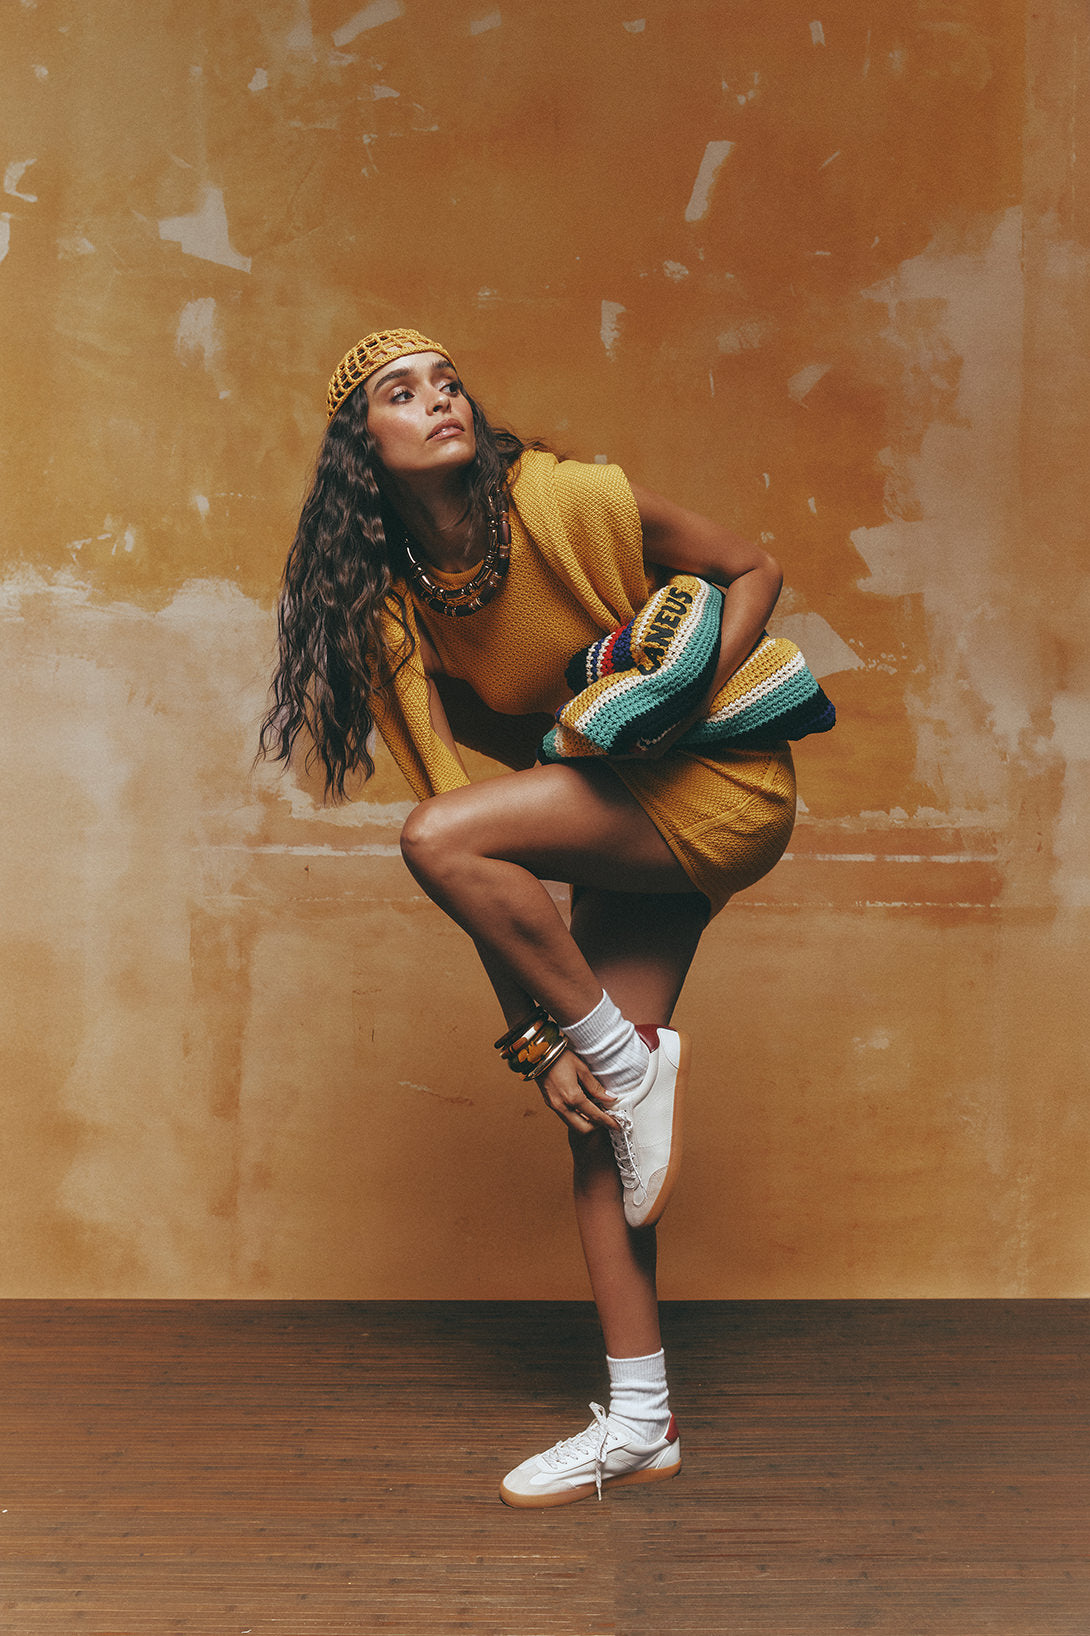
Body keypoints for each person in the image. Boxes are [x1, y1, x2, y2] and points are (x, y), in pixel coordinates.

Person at [259, 327, 797, 1506]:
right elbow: (482, 875)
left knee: (436, 842)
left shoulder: (561, 499)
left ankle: (629, 1059)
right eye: (403, 393)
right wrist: (541, 1044)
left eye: (447, 381)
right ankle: (641, 1422)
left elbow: (751, 565)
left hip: (718, 778)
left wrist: (688, 697)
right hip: (618, 812)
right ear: (361, 445)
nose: (438, 399)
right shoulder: (395, 607)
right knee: (598, 1115)